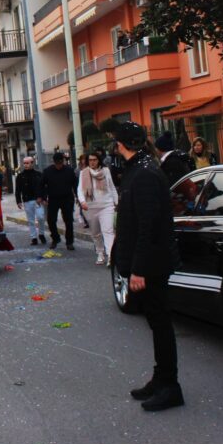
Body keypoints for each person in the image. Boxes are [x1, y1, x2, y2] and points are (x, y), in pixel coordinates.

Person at [112, 121, 183, 412]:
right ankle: (161, 377)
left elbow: (147, 225)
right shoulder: (139, 169)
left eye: (116, 142)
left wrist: (138, 269)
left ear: (122, 144)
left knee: (160, 322)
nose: (114, 147)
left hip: (152, 264)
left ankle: (170, 386)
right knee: (156, 321)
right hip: (149, 261)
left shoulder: (144, 174)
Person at [78, 151, 119, 265]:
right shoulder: (83, 173)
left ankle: (111, 256)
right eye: (90, 160)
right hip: (90, 207)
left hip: (106, 205)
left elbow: (111, 187)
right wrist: (82, 201)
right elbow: (80, 189)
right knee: (96, 233)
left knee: (108, 231)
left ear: (99, 160)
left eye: (94, 160)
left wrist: (116, 202)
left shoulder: (106, 171)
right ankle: (100, 253)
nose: (92, 162)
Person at [41, 152, 78, 250]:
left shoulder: (69, 170)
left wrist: (78, 197)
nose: (59, 166)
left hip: (67, 198)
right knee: (51, 220)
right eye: (57, 163)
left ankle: (69, 242)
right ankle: (55, 238)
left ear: (63, 161)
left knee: (68, 220)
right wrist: (43, 197)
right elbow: (42, 185)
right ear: (54, 162)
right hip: (53, 199)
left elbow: (75, 184)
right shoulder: (47, 171)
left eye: (61, 163)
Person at [15, 156, 47, 246]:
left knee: (41, 217)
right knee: (31, 220)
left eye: (28, 163)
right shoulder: (20, 176)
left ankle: (41, 234)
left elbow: (44, 188)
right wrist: (18, 201)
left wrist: (44, 198)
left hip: (38, 200)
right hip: (27, 200)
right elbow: (18, 190)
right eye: (24, 163)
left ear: (32, 163)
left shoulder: (39, 174)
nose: (25, 165)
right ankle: (34, 238)